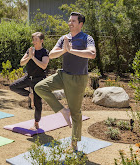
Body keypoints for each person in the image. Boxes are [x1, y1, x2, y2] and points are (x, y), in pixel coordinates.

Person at [34, 12, 96, 151]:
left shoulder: (87, 38)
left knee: (75, 112)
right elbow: (51, 54)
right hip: (63, 75)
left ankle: (74, 145)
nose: (70, 23)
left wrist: (71, 50)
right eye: (69, 20)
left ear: (80, 24)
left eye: (73, 21)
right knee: (39, 87)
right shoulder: (64, 38)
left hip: (78, 78)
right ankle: (63, 111)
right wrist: (64, 50)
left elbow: (92, 54)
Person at [9, 32, 49, 130]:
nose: (34, 41)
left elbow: (44, 65)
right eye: (33, 39)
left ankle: (36, 123)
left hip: (39, 80)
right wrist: (29, 56)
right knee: (13, 86)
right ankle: (29, 95)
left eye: (36, 39)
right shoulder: (30, 50)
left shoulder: (45, 52)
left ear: (41, 41)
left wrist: (33, 57)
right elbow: (22, 63)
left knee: (37, 103)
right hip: (28, 78)